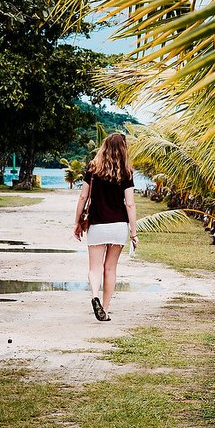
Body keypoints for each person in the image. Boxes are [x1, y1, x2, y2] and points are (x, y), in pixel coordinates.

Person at [73, 133, 139, 321]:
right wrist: (134, 233)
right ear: (124, 149)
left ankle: (95, 296)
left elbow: (83, 197)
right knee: (110, 268)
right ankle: (106, 309)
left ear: (104, 147)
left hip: (97, 225)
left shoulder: (93, 169)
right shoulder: (127, 173)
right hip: (119, 226)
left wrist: (77, 222)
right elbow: (130, 204)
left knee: (95, 268)